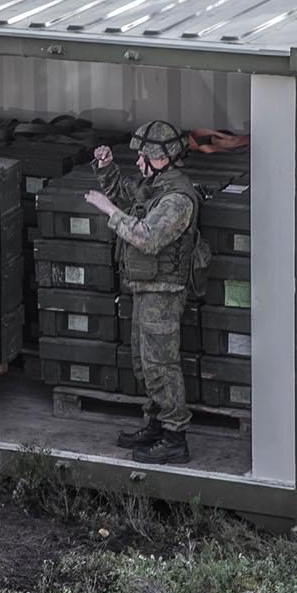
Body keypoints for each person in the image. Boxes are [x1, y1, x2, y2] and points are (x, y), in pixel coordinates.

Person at [84, 120, 204, 464]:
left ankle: (175, 437)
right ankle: (156, 424)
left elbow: (147, 238)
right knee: (144, 362)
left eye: (143, 156)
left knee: (161, 365)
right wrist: (107, 168)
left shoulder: (177, 199)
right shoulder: (156, 185)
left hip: (164, 292)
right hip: (147, 288)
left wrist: (109, 211)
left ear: (162, 158)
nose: (138, 161)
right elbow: (127, 194)